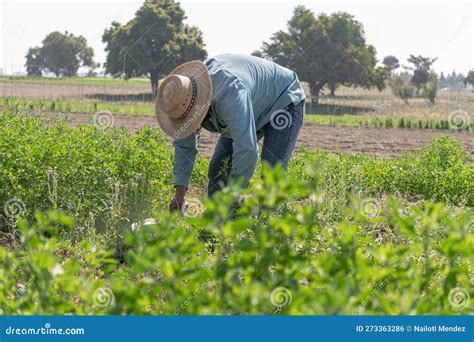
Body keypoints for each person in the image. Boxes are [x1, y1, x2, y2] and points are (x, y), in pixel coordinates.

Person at [155, 54, 306, 212]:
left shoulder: (228, 93)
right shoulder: (183, 100)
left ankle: (271, 224)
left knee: (272, 168)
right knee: (218, 168)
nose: (192, 126)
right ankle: (216, 221)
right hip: (252, 104)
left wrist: (232, 198)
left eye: (193, 120)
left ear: (201, 106)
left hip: (283, 99)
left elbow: (246, 149)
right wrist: (179, 195)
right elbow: (184, 148)